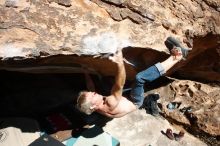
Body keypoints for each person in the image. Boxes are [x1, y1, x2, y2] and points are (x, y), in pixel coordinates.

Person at [76, 37, 190, 118]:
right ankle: (178, 56)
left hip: (124, 100)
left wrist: (85, 71)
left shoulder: (94, 108)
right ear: (93, 106)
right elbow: (119, 84)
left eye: (92, 93)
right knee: (139, 78)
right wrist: (120, 62)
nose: (93, 92)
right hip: (135, 101)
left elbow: (90, 87)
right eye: (93, 95)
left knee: (105, 83)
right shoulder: (109, 103)